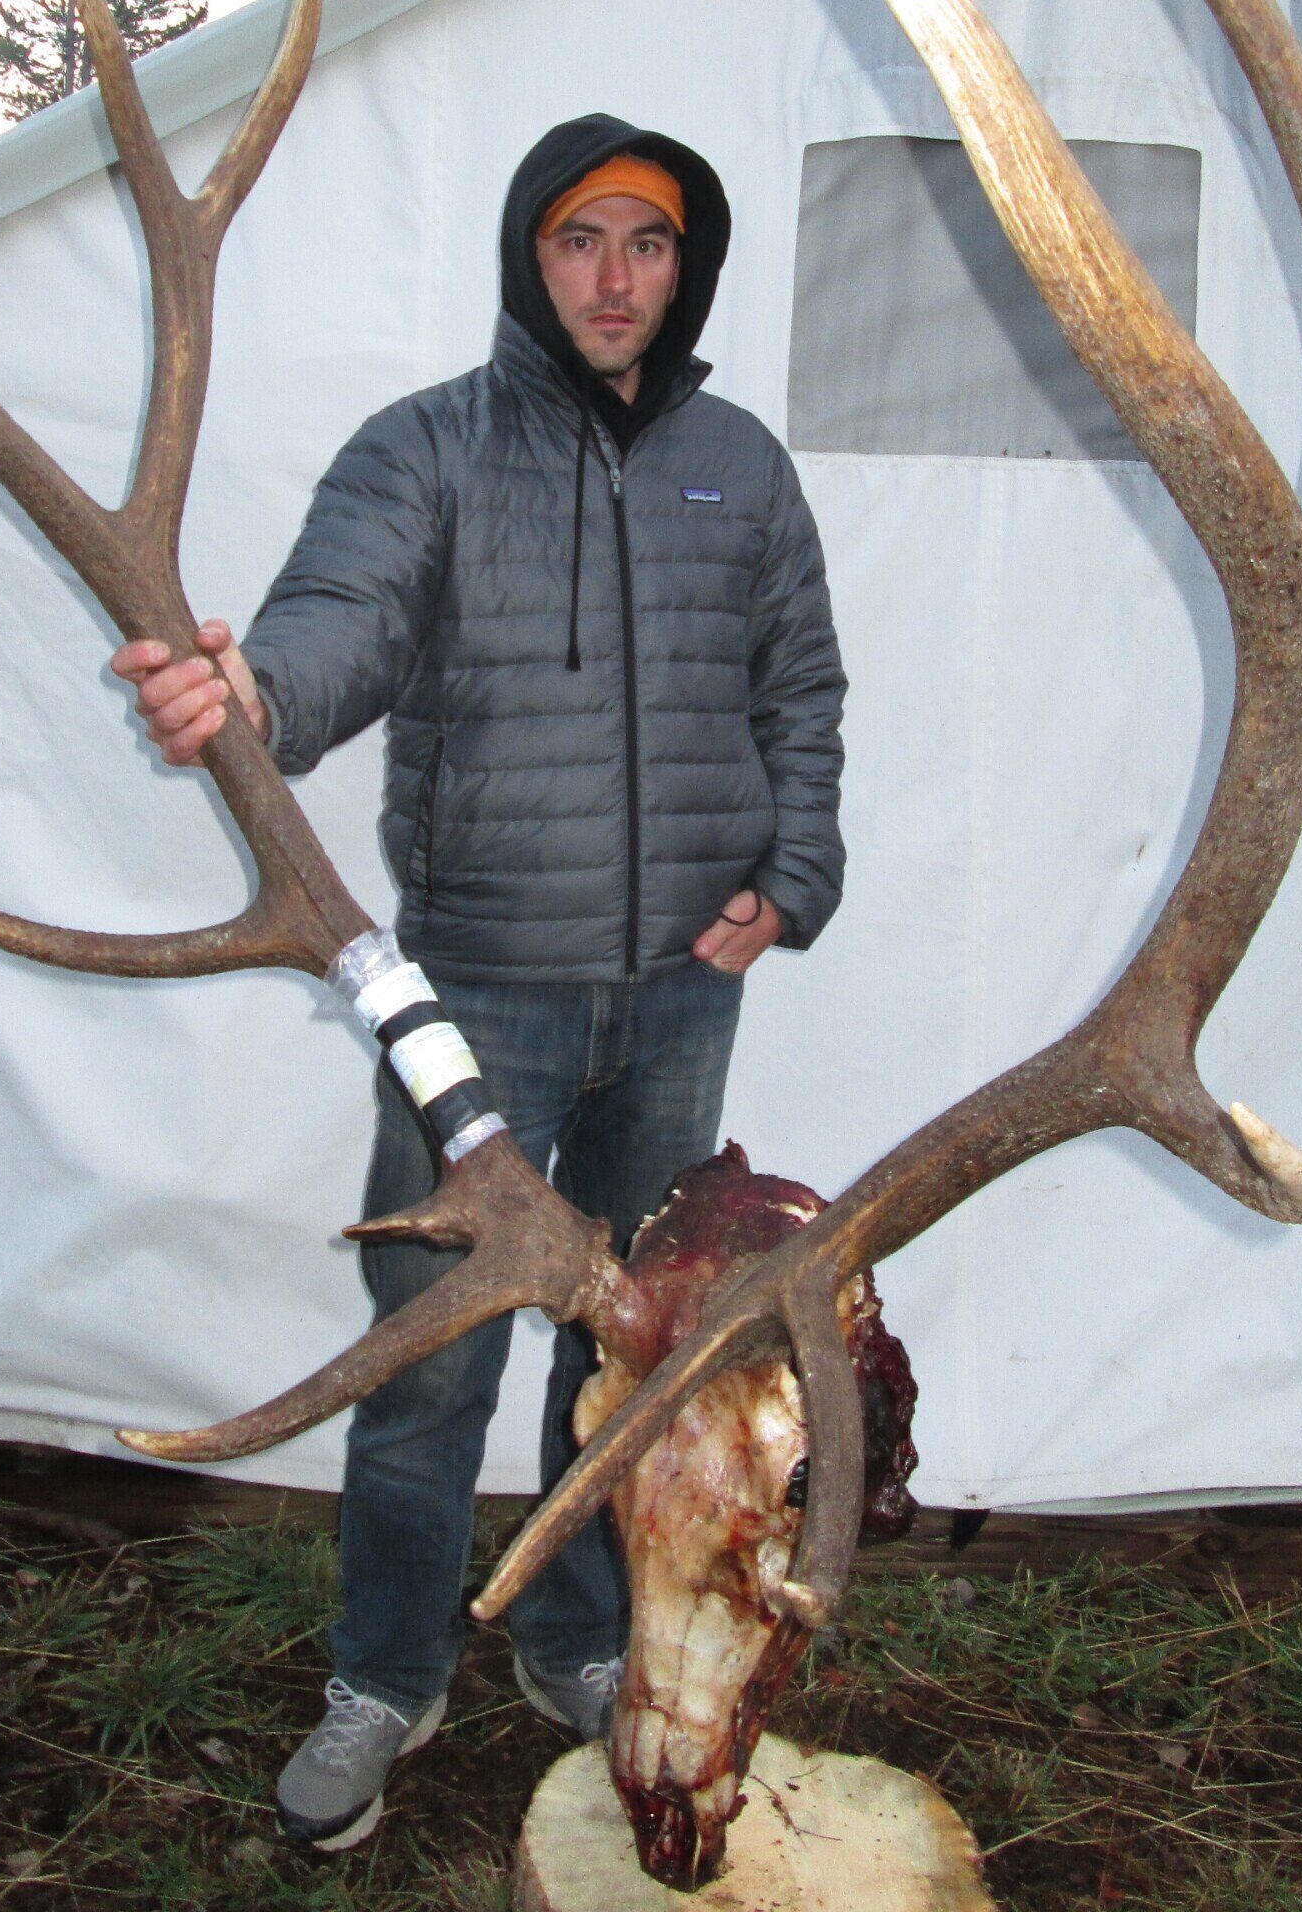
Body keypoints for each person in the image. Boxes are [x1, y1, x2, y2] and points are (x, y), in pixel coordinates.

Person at [114, 114, 845, 1848]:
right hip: (480, 1008)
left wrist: (790, 882)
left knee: (633, 1358)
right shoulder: (427, 450)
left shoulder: (742, 465)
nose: (615, 276)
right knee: (429, 1360)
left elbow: (801, 695)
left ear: (689, 267)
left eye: (649, 244)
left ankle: (577, 1645)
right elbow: (337, 621)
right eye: (582, 239)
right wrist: (254, 696)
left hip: (682, 998)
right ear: (533, 256)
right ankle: (385, 1674)